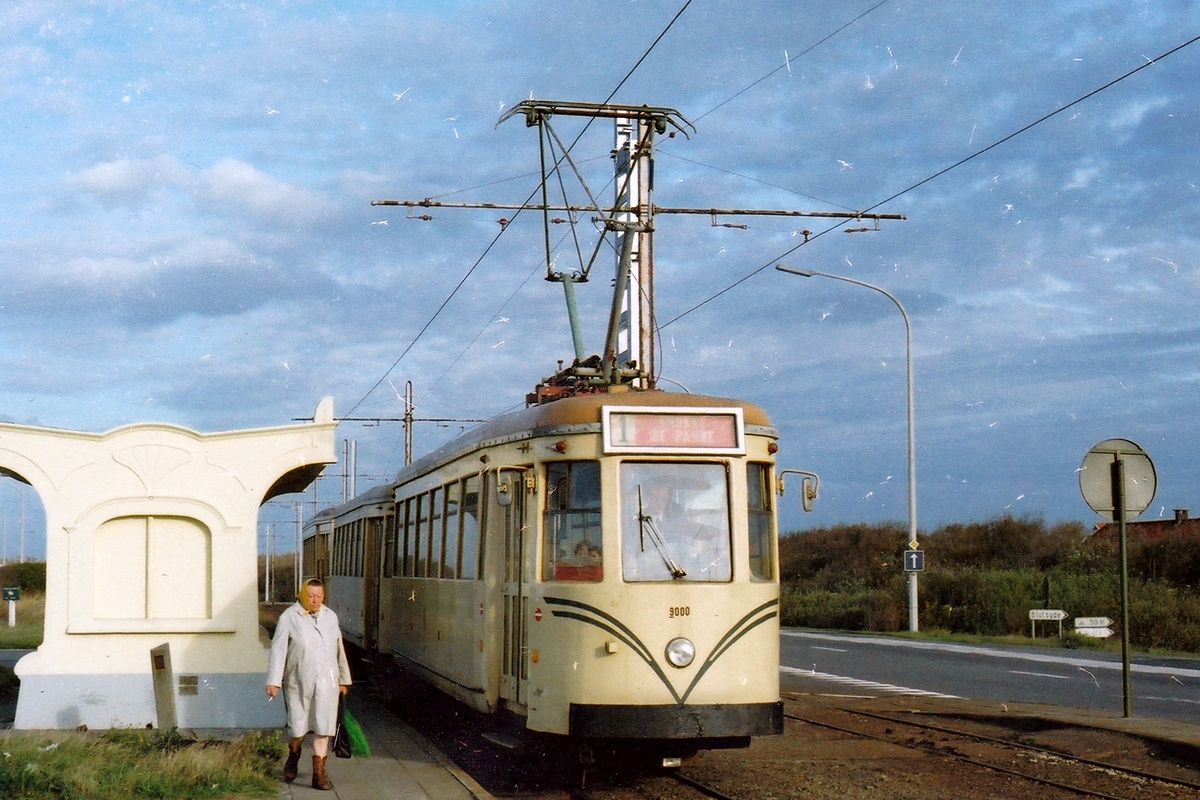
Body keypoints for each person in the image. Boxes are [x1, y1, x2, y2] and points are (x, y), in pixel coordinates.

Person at [266, 578, 352, 790]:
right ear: (302, 595)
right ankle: (293, 757)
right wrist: (274, 680)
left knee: (323, 727)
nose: (315, 601)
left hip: (327, 681)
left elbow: (338, 648)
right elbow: (278, 650)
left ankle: (319, 774)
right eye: (311, 596)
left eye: (319, 596)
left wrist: (343, 678)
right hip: (298, 681)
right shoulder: (289, 617)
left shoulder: (330, 616)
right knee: (297, 728)